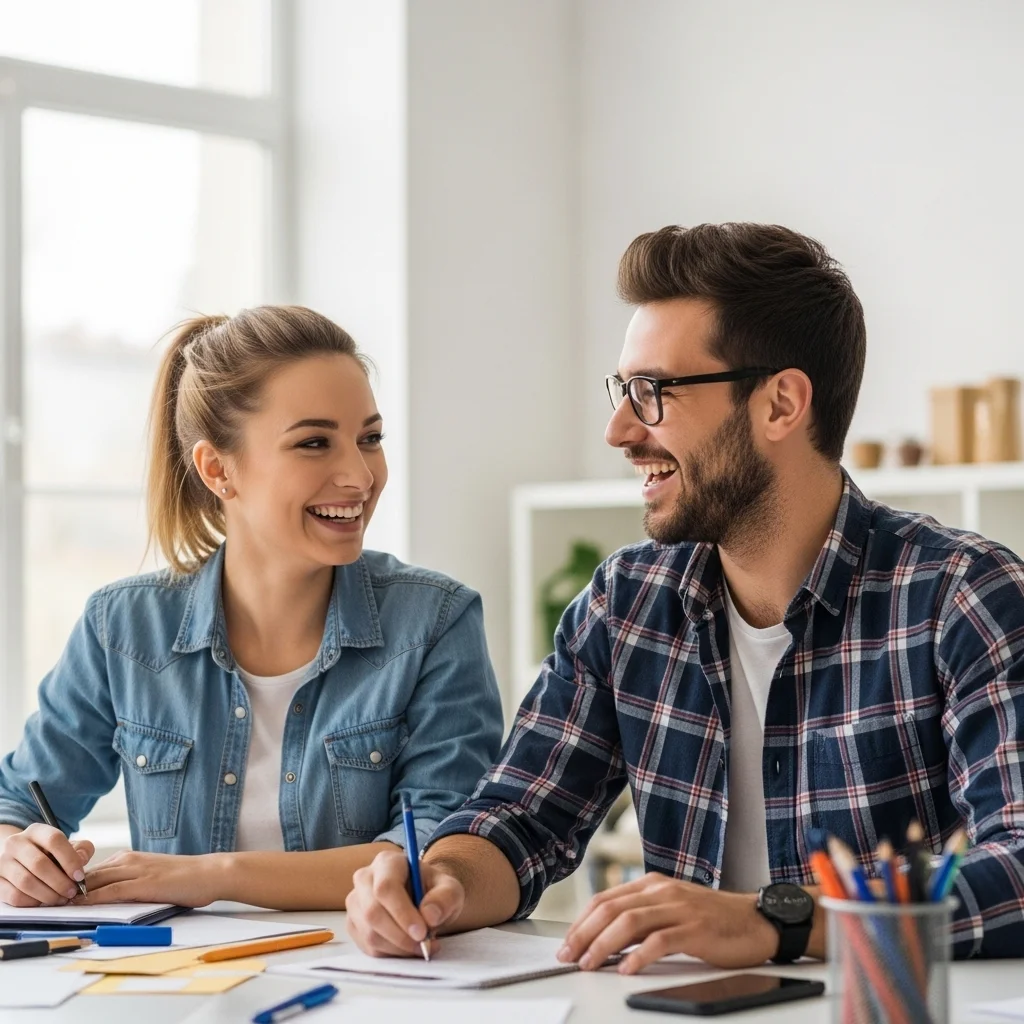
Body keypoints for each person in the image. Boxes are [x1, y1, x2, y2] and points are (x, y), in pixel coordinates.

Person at [345, 223, 1024, 969]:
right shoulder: (626, 603)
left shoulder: (962, 597)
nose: (618, 430)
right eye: (623, 390)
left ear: (780, 405)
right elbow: (520, 819)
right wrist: (437, 881)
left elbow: (1018, 864)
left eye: (653, 392)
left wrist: (780, 922)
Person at [0, 305, 503, 911]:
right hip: (177, 982)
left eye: (369, 439)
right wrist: (16, 852)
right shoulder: (123, 628)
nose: (359, 475)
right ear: (218, 470)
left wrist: (216, 875)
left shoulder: (434, 622)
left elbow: (438, 852)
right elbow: (17, 803)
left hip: (362, 980)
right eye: (314, 443)